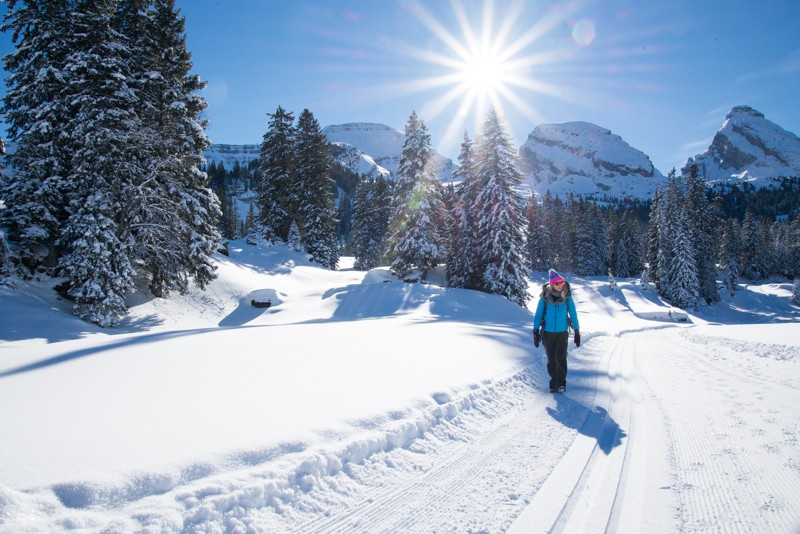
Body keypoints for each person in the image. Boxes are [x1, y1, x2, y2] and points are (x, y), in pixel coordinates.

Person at [533, 269, 581, 393]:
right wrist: (535, 331)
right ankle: (553, 382)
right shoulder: (544, 299)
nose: (560, 286)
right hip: (547, 334)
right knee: (551, 359)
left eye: (562, 283)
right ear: (552, 284)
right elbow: (538, 315)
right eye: (558, 283)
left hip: (562, 333)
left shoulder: (567, 298)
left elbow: (573, 314)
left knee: (561, 358)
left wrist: (577, 331)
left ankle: (561, 384)